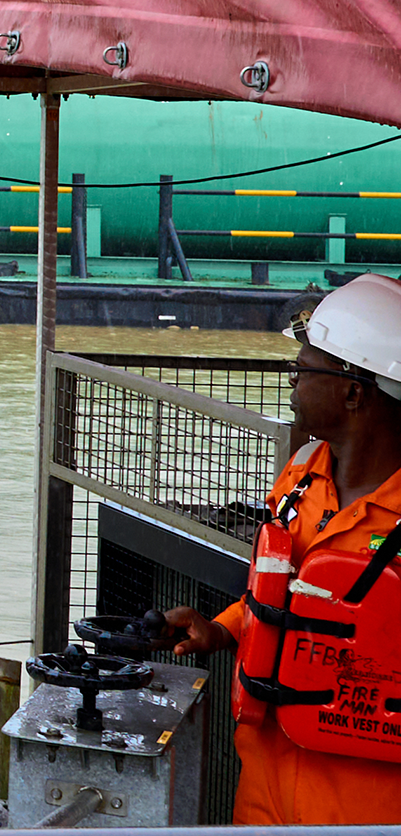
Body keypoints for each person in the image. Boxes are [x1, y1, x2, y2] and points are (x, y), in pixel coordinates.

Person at [162, 272, 401, 824]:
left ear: (353, 391)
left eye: (306, 367)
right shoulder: (299, 477)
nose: (292, 378)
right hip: (264, 785)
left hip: (366, 804)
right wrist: (221, 629)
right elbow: (284, 595)